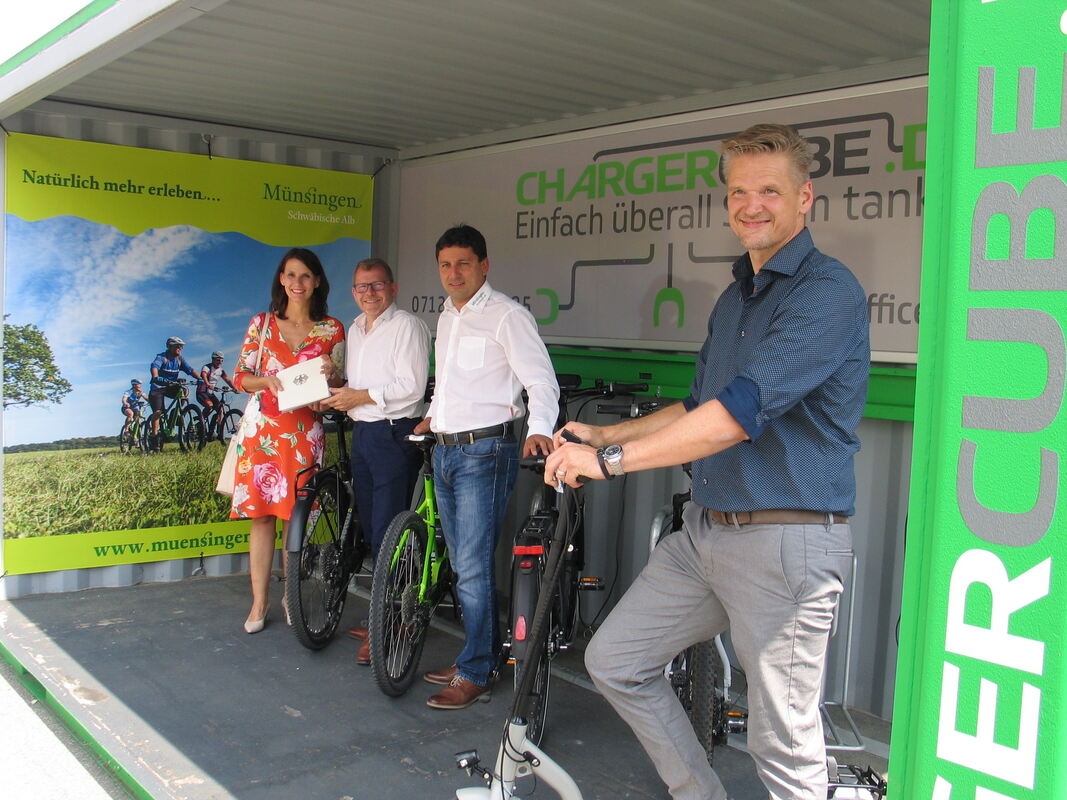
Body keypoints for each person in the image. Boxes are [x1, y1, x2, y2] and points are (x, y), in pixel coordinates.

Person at [546, 123, 870, 800]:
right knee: (617, 661)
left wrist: (610, 463)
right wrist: (604, 436)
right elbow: (697, 406)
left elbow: (736, 416)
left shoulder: (825, 291)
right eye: (739, 192)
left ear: (804, 198)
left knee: (781, 746)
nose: (752, 205)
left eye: (769, 191)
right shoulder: (735, 297)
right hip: (706, 533)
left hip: (785, 542)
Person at [413, 224, 559, 710]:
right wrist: (434, 416)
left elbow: (541, 382)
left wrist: (539, 428)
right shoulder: (447, 315)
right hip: (445, 449)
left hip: (485, 452)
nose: (453, 273)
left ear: (484, 265)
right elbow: (451, 382)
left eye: (463, 263)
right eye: (445, 265)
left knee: (473, 567)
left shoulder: (507, 316)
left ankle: (476, 671)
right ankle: (479, 654)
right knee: (462, 565)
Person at [319, 257, 430, 666]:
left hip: (394, 434)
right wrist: (335, 386)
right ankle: (384, 615)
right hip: (364, 433)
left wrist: (359, 396)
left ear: (393, 288)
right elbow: (359, 386)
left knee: (389, 531)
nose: (370, 293)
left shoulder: (408, 326)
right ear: (353, 292)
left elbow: (411, 387)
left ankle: (392, 624)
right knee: (371, 528)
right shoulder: (355, 329)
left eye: (378, 285)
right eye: (362, 287)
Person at [229, 247, 346, 634]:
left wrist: (332, 372)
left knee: (295, 518)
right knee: (262, 517)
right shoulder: (262, 324)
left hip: (305, 433)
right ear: (281, 280)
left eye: (306, 275)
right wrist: (266, 380)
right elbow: (240, 377)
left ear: (317, 282)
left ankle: (289, 596)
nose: (298, 283)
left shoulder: (332, 329)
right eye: (291, 275)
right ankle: (259, 601)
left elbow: (341, 383)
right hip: (263, 433)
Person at [148, 336, 200, 446]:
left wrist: (200, 379)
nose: (180, 348)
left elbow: (190, 370)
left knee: (184, 391)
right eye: (177, 346)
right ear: (170, 346)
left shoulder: (180, 359)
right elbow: (154, 367)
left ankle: (174, 415)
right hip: (157, 387)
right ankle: (154, 437)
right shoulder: (162, 357)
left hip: (171, 386)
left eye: (181, 347)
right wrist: (155, 377)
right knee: (158, 412)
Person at [197, 350, 237, 438]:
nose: (220, 362)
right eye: (218, 360)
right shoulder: (207, 367)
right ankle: (200, 422)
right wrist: (207, 383)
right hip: (202, 392)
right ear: (213, 359)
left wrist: (234, 388)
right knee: (209, 405)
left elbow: (227, 380)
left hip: (210, 393)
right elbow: (204, 375)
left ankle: (218, 431)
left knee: (220, 410)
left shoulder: (221, 370)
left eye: (222, 360)